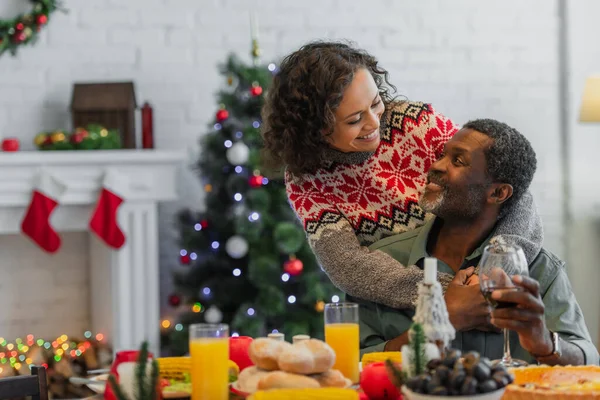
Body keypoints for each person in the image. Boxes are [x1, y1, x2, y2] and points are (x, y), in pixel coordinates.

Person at [261, 40, 543, 311]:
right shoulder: (306, 181)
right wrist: (443, 292)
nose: (374, 123)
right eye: (354, 119)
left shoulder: (415, 123)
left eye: (375, 102)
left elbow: (508, 185)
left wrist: (494, 273)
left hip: (489, 277)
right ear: (314, 129)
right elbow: (347, 264)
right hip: (407, 311)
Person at [358, 119, 598, 366]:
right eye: (443, 155)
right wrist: (440, 323)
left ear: (497, 193)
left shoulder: (540, 270)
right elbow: (350, 366)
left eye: (458, 161)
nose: (436, 166)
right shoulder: (381, 261)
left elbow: (590, 362)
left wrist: (545, 342)